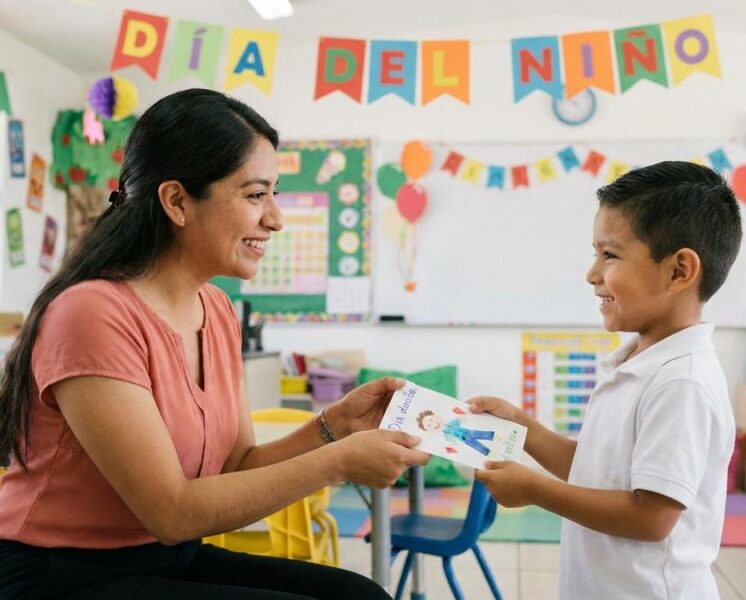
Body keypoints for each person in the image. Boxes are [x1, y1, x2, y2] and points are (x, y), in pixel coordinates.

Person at [0, 88, 429, 599]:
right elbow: (172, 511)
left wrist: (332, 428)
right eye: (255, 195)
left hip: (165, 558)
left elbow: (236, 467)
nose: (276, 218)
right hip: (59, 574)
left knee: (360, 596)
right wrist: (338, 462)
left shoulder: (218, 310)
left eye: (274, 194)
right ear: (177, 201)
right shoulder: (90, 313)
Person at [471, 161, 742, 599]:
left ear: (678, 272)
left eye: (609, 255)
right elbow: (600, 470)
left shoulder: (681, 383)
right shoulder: (637, 363)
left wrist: (536, 490)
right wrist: (523, 428)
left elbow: (650, 516)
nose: (592, 273)